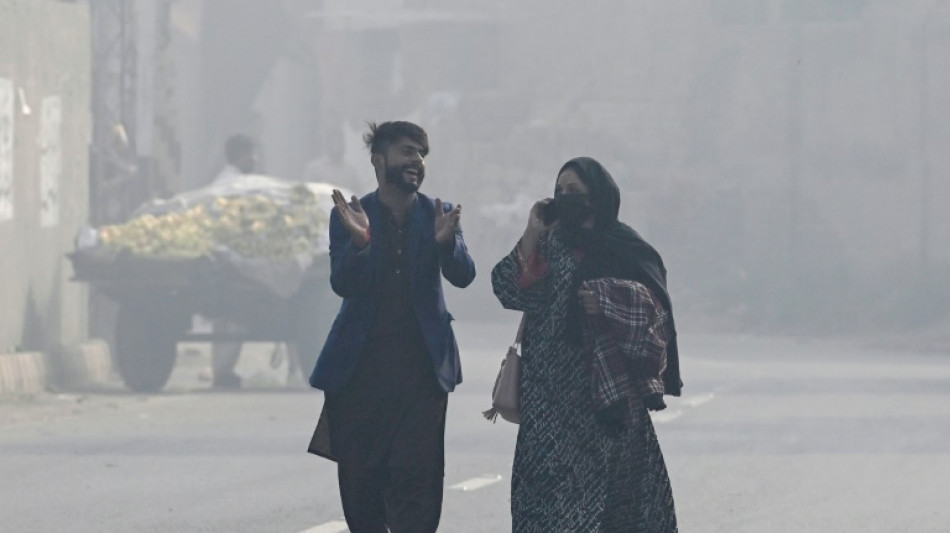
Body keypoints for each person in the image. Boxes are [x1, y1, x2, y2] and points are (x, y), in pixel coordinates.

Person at [491, 156, 681, 532]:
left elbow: (656, 313)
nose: (564, 198)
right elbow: (509, 290)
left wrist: (611, 299)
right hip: (548, 397)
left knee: (614, 507)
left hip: (606, 401)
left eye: (573, 191)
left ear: (597, 196)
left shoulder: (625, 247)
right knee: (548, 504)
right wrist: (531, 233)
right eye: (559, 191)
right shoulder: (550, 244)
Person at [307, 121, 476, 532]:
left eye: (421, 153)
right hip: (360, 375)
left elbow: (465, 275)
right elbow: (343, 283)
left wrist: (444, 243)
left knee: (418, 486)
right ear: (378, 160)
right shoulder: (349, 215)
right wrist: (362, 245)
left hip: (421, 375)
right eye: (406, 151)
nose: (416, 161)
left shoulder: (440, 212)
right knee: (362, 487)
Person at [208, 134, 259, 389]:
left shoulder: (224, 181)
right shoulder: (235, 185)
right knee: (231, 316)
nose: (255, 159)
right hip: (230, 259)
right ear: (240, 156)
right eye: (251, 154)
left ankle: (222, 370)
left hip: (223, 256)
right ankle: (222, 370)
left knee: (227, 318)